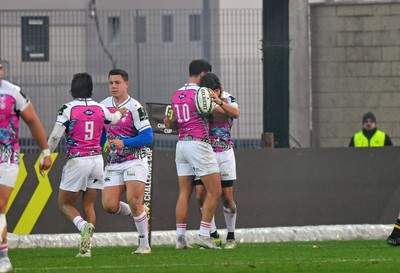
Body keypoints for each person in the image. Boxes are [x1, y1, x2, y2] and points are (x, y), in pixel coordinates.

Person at [44, 72, 126, 258]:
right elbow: (113, 119)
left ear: (72, 89)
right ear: (90, 90)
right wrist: (120, 113)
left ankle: (82, 226)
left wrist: (45, 156)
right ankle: (86, 249)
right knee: (89, 205)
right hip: (97, 160)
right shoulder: (99, 108)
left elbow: (56, 136)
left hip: (77, 161)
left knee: (64, 203)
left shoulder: (68, 108)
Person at [0, 63, 52, 272]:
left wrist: (46, 152)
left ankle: (3, 257)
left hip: (7, 156)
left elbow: (32, 121)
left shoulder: (13, 93)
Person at [165, 59, 222, 249]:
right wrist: (219, 102)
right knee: (214, 191)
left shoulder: (177, 94)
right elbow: (220, 115)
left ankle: (180, 240)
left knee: (184, 193)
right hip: (199, 144)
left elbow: (173, 124)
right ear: (204, 74)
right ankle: (204, 235)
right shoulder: (202, 93)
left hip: (181, 145)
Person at [100, 69, 154, 254]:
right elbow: (101, 133)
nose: (114, 86)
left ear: (126, 84)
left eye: (117, 82)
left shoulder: (135, 107)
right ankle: (139, 211)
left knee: (133, 199)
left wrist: (124, 142)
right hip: (114, 163)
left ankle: (144, 245)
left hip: (135, 160)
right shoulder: (103, 106)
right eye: (111, 83)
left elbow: (148, 136)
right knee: (109, 206)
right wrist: (103, 145)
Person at [194, 73, 240, 249]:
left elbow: (234, 113)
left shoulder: (228, 97)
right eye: (209, 92)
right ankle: (212, 235)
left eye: (215, 91)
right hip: (205, 153)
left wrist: (218, 102)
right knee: (200, 195)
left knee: (227, 197)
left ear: (218, 89)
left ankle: (231, 236)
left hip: (224, 153)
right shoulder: (199, 99)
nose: (212, 94)